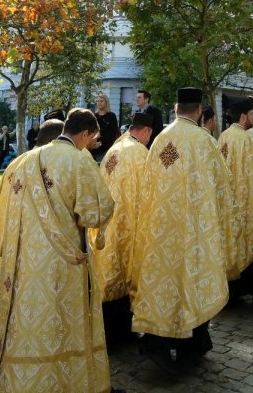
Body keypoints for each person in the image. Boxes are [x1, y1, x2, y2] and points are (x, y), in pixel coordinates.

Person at [0, 109, 116, 393]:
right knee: (60, 322)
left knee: (24, 321)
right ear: (84, 134)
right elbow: (95, 213)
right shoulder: (79, 160)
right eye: (92, 139)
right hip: (63, 262)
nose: (90, 145)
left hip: (22, 259)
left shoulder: (25, 160)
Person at [130, 88, 231, 372]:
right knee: (191, 283)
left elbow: (147, 186)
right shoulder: (204, 140)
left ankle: (156, 342)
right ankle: (191, 348)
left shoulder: (160, 139)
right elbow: (223, 182)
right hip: (193, 230)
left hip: (161, 229)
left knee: (163, 282)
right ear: (198, 111)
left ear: (175, 108)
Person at [95, 111, 153, 344]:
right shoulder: (140, 153)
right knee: (126, 273)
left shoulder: (114, 148)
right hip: (129, 225)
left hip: (108, 224)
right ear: (146, 131)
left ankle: (107, 332)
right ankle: (121, 334)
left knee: (109, 271)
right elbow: (147, 193)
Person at [217, 97, 253, 303]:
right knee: (249, 245)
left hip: (226, 203)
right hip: (244, 202)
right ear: (243, 116)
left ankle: (231, 292)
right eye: (251, 114)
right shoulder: (244, 139)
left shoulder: (223, 137)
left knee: (230, 245)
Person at [93, 94, 120, 158]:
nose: (99, 103)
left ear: (106, 102)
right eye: (98, 101)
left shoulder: (111, 116)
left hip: (106, 148)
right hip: (93, 147)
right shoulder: (94, 116)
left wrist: (101, 142)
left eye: (101, 101)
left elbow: (112, 133)